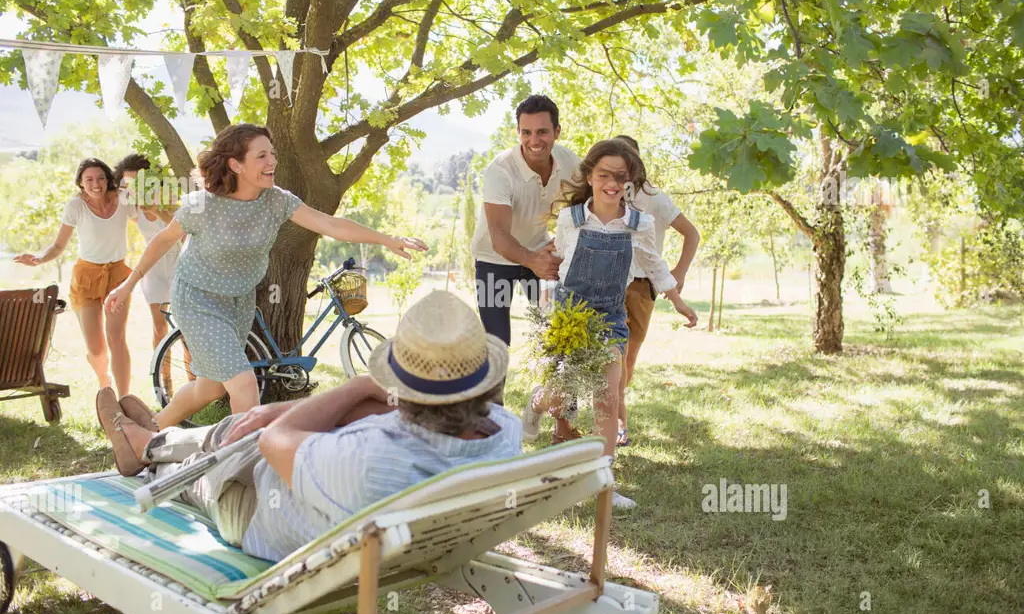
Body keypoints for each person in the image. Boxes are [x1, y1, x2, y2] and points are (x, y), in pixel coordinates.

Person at [94, 290, 522, 563]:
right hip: (355, 511)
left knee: (223, 454)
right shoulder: (504, 430)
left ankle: (148, 449)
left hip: (257, 509)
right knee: (242, 429)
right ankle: (152, 439)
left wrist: (356, 385)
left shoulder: (373, 462)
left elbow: (275, 443)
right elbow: (379, 412)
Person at [104, 123, 427, 436]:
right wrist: (128, 284)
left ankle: (147, 432)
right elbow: (162, 240)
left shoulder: (276, 200)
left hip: (239, 301)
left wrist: (386, 238)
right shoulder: (203, 206)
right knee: (243, 381)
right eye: (261, 156)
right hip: (198, 299)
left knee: (211, 387)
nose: (272, 161)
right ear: (236, 164)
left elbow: (329, 224)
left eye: (272, 154)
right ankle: (241, 464)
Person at [521, 139, 698, 510]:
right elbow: (561, 262)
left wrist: (678, 300)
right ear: (590, 176)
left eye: (620, 176)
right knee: (558, 394)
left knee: (608, 398)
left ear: (630, 181)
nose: (612, 183)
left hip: (611, 318)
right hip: (572, 316)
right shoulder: (571, 219)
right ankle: (536, 405)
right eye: (604, 175)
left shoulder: (640, 224)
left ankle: (601, 484)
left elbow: (653, 264)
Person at [472, 95, 582, 443]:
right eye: (526, 132)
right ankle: (495, 430)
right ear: (518, 132)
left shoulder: (568, 162)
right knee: (497, 342)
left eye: (542, 132)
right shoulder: (500, 171)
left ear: (557, 132)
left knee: (562, 334)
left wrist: (558, 247)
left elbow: (585, 209)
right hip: (495, 259)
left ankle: (560, 424)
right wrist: (533, 260)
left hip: (538, 252)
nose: (534, 140)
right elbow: (500, 237)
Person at [14, 158, 137, 397]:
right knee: (96, 348)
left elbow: (145, 217)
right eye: (89, 179)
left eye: (101, 178)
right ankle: (105, 384)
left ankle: (124, 399)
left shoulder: (123, 199)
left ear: (108, 179)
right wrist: (39, 258)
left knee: (117, 338)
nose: (96, 184)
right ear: (81, 184)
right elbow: (59, 245)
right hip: (86, 277)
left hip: (118, 275)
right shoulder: (76, 206)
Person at [612, 135, 701, 447]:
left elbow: (692, 234)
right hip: (608, 283)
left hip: (641, 288)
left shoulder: (655, 199)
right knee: (611, 356)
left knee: (628, 359)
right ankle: (610, 420)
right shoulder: (605, 193)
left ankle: (615, 418)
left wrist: (679, 273)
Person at [113, 154, 183, 363]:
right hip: (152, 268)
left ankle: (195, 385)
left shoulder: (170, 198)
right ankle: (164, 386)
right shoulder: (132, 207)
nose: (134, 187)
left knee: (186, 329)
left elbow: (181, 228)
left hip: (180, 265)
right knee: (160, 327)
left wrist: (157, 211)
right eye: (129, 184)